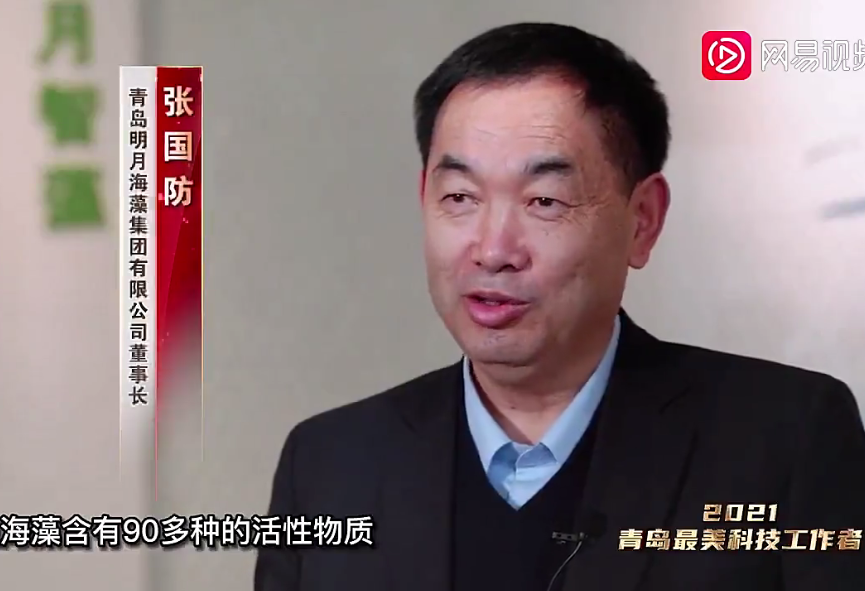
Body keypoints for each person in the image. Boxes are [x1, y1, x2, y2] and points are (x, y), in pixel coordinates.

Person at [254, 22, 865, 591]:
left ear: (642, 221)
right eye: (460, 196)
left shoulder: (787, 438)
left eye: (544, 201)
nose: (493, 250)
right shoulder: (329, 463)